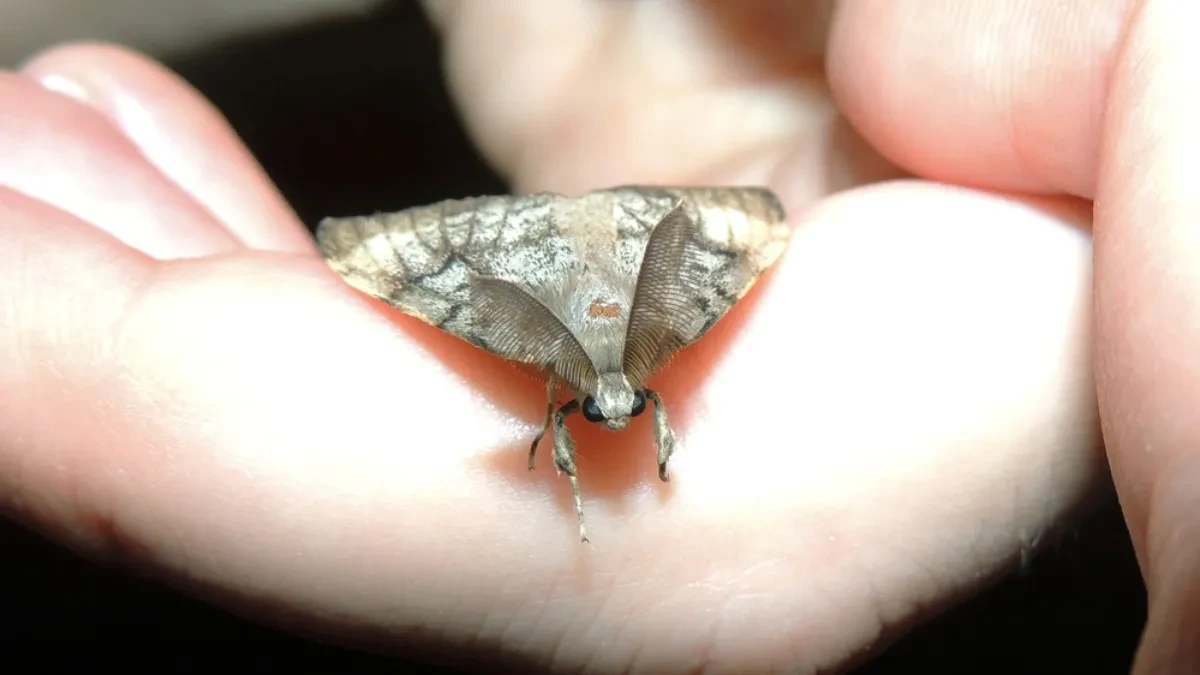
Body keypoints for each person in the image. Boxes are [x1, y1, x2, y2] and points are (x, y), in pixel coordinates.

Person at [0, 1, 1191, 672]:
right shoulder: (622, 365)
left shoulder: (617, 382)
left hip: (544, 240)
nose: (623, 418)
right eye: (619, 417)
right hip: (598, 240)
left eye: (627, 416)